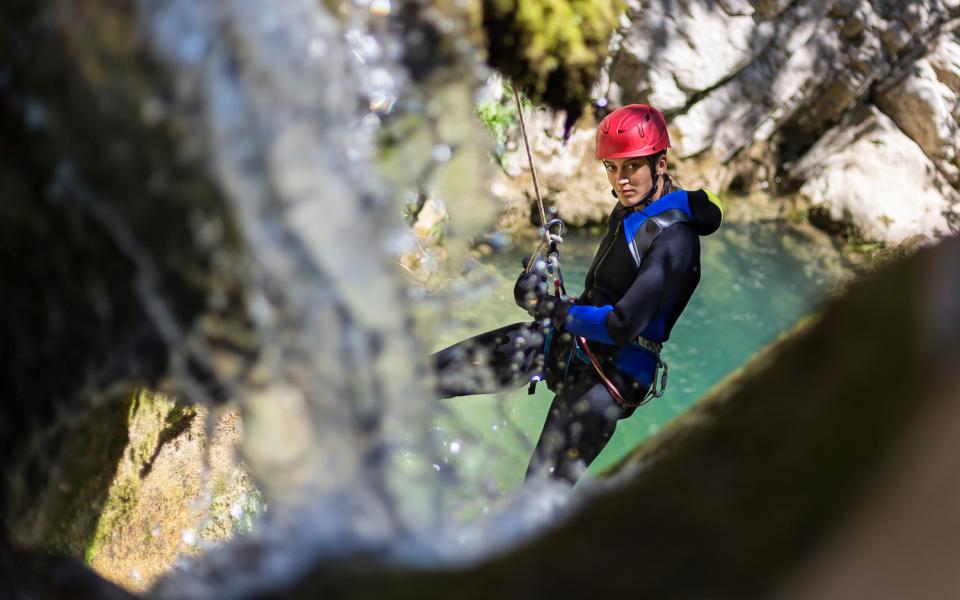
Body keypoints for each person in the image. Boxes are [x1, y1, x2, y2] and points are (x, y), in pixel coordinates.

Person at [433, 104, 723, 485]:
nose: (621, 179)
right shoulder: (630, 210)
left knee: (536, 497)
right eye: (612, 167)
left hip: (610, 380)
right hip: (575, 344)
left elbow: (622, 323)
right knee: (435, 374)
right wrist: (545, 293)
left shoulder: (676, 239)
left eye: (632, 166)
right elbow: (601, 297)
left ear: (661, 164)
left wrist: (550, 309)